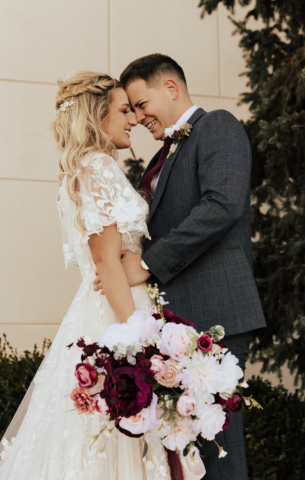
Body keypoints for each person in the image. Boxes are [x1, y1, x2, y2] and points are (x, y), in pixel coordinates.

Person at [0, 71, 171, 480]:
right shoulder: (98, 166)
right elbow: (106, 260)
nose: (134, 119)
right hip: (117, 315)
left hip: (101, 308)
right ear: (96, 117)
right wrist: (138, 341)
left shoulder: (81, 170)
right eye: (124, 110)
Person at [94, 54, 267, 480]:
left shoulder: (218, 126)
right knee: (188, 460)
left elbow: (222, 205)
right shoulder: (165, 157)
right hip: (178, 327)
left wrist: (148, 264)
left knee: (216, 453)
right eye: (130, 109)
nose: (137, 116)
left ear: (171, 88)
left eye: (140, 103)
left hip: (215, 319)